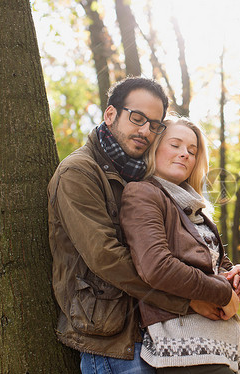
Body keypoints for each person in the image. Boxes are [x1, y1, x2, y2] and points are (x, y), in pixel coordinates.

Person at [48, 77, 194, 373]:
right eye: (137, 118)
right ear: (111, 114)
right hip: (110, 336)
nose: (146, 131)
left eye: (155, 125)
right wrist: (187, 300)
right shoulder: (78, 172)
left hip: (157, 332)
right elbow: (106, 257)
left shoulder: (142, 176)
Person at [119, 116, 240, 373]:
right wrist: (222, 292)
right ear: (154, 148)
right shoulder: (143, 193)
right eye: (175, 145)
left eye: (192, 151)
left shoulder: (193, 206)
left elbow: (215, 267)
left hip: (221, 346)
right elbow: (157, 267)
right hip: (185, 349)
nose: (184, 154)